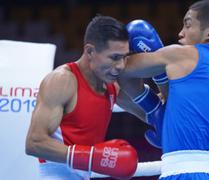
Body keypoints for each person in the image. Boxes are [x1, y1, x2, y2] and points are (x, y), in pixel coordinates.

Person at [120, 0, 209, 179]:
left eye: (188, 25)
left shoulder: (184, 55)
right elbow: (200, 106)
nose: (180, 33)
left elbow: (118, 68)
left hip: (182, 172)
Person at [25, 15, 142, 179]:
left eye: (124, 57)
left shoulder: (111, 86)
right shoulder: (62, 81)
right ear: (90, 51)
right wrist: (91, 157)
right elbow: (34, 143)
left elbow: (148, 112)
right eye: (114, 57)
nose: (121, 66)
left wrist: (162, 74)